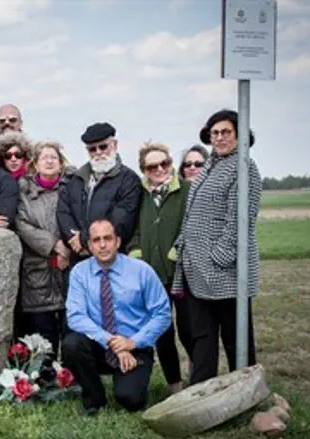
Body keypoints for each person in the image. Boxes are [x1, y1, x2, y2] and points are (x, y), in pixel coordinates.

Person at [170, 109, 262, 385]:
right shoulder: (211, 165)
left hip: (226, 272)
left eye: (226, 132)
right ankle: (202, 391)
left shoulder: (244, 168)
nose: (219, 138)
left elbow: (240, 220)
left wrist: (219, 258)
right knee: (202, 336)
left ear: (240, 135)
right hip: (197, 270)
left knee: (236, 338)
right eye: (215, 133)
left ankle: (246, 390)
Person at [62, 218, 171, 415]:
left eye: (108, 238)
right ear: (89, 246)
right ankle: (94, 399)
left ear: (118, 242)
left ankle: (129, 386)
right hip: (99, 345)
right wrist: (113, 343)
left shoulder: (141, 270)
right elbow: (76, 316)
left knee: (130, 399)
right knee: (72, 345)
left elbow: (162, 314)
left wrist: (132, 343)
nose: (103, 245)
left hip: (135, 347)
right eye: (96, 240)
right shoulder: (80, 273)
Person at [126, 142, 192, 394]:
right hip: (152, 277)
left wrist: (178, 249)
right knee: (163, 333)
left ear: (171, 163)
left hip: (182, 274)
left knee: (189, 329)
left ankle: (199, 377)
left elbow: (192, 225)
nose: (159, 169)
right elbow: (132, 229)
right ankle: (175, 387)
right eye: (152, 166)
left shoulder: (186, 190)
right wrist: (136, 253)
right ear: (144, 169)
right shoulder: (139, 195)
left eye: (164, 163)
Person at [15, 141, 74, 356]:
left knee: (71, 335)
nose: (49, 161)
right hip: (38, 273)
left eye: (53, 157)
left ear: (61, 163)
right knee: (43, 341)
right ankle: (46, 375)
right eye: (44, 158)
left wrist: (68, 248)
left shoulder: (72, 188)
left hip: (68, 269)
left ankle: (70, 375)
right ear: (35, 164)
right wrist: (54, 245)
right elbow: (21, 223)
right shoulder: (23, 191)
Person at [57, 122, 141, 262]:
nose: (98, 152)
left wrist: (84, 240)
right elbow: (63, 211)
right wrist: (73, 239)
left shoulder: (129, 180)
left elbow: (122, 220)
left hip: (113, 258)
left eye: (103, 147)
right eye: (92, 149)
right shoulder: (77, 179)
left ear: (114, 145)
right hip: (79, 258)